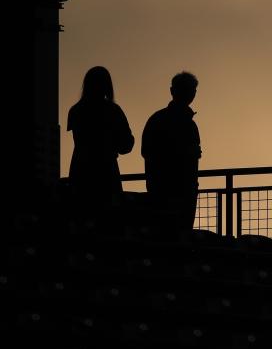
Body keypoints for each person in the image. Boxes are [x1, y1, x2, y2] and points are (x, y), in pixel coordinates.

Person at [141, 71, 202, 232]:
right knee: (179, 232)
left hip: (162, 187)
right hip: (179, 188)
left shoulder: (157, 119)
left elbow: (146, 151)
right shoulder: (188, 124)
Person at [67, 66, 135, 200]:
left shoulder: (76, 110)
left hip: (80, 172)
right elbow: (126, 145)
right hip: (107, 173)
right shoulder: (113, 110)